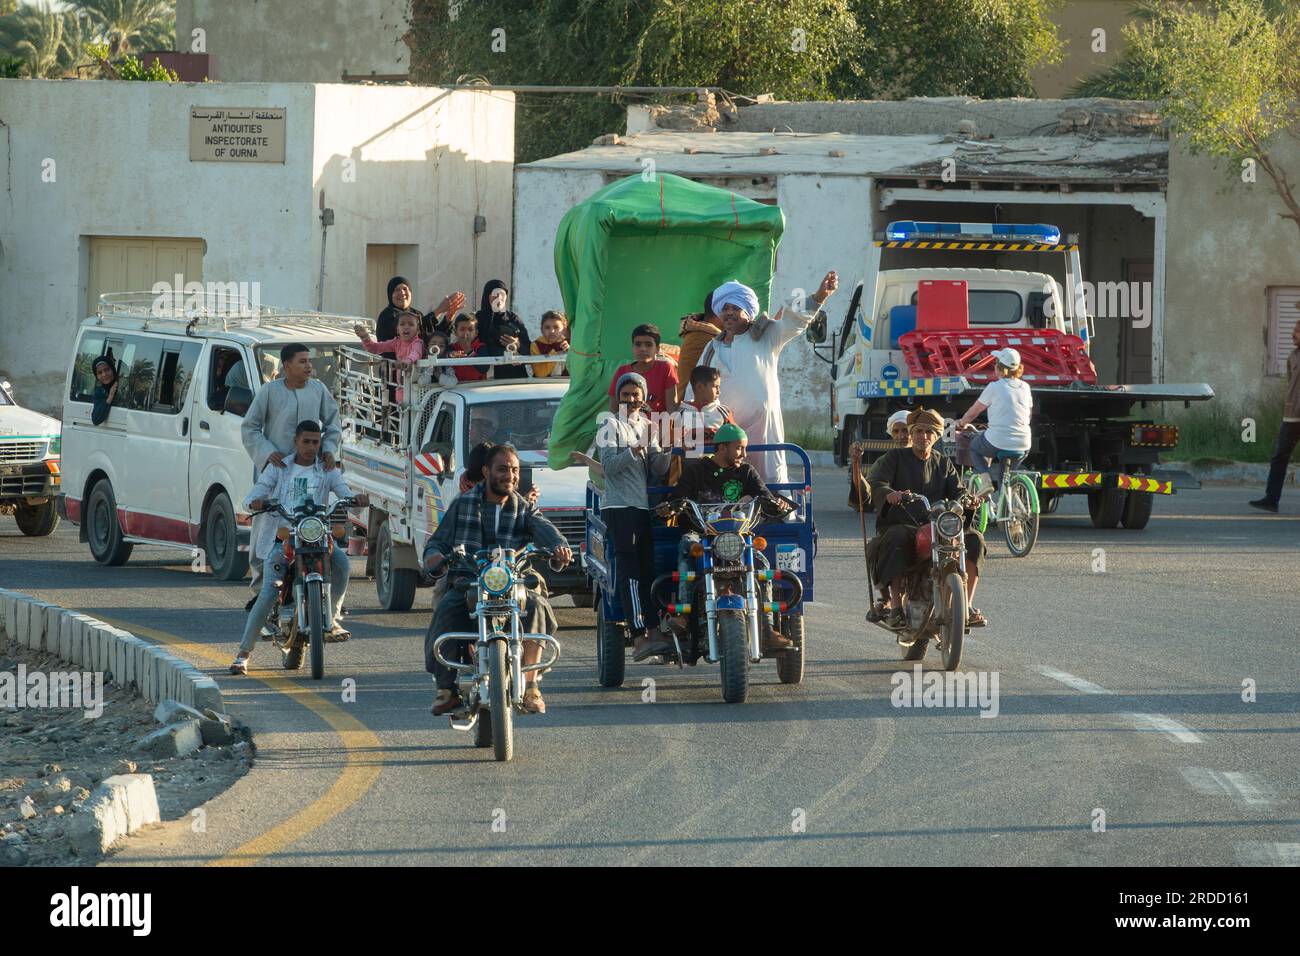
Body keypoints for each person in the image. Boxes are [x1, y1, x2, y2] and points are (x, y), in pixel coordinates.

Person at [422, 444, 572, 716]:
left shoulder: (524, 507)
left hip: (516, 582)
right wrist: (434, 557)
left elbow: (546, 530)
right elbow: (437, 543)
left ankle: (531, 686)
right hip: (469, 581)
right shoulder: (463, 504)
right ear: (486, 471)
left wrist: (560, 548)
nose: (510, 476)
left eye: (514, 470)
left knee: (537, 605)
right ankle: (446, 689)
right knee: (446, 609)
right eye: (502, 469)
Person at [230, 421, 369, 675]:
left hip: (318, 537)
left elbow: (344, 493)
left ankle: (333, 618)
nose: (311, 447)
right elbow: (253, 496)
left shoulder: (327, 469)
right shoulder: (279, 467)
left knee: (342, 563)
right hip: (285, 539)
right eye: (306, 441)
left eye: (316, 442)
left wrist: (356, 499)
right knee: (269, 591)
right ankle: (243, 655)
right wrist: (257, 502)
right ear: (296, 441)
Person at [655, 423, 795, 652]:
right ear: (722, 448)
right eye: (739, 448)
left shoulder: (747, 471)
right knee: (686, 546)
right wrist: (669, 508)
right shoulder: (696, 471)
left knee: (761, 563)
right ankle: (682, 614)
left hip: (738, 537)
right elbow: (678, 498)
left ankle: (767, 629)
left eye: (744, 448)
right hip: (702, 535)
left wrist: (776, 503)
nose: (744, 454)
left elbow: (765, 497)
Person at [697, 272, 838, 485]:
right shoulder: (711, 348)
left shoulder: (767, 336)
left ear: (748, 311)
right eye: (725, 308)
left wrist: (819, 297)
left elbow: (794, 322)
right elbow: (695, 390)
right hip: (725, 433)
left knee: (770, 484)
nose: (729, 313)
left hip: (762, 430)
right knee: (727, 487)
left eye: (735, 308)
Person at [571, 372, 673, 661]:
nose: (630, 399)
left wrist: (665, 447)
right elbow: (611, 467)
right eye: (625, 395)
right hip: (619, 507)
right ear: (618, 398)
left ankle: (655, 630)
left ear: (644, 397)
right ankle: (639, 635)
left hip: (641, 507)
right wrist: (637, 447)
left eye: (635, 394)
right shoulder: (609, 423)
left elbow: (657, 469)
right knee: (629, 573)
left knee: (647, 572)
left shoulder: (647, 425)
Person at [866, 408, 987, 629]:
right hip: (904, 522)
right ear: (912, 434)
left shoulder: (943, 462)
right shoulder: (894, 458)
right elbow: (878, 483)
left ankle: (967, 605)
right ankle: (895, 607)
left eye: (929, 432)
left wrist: (968, 500)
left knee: (974, 540)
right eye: (919, 431)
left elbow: (958, 490)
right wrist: (889, 494)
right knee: (896, 539)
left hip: (939, 524)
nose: (924, 436)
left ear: (937, 435)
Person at [242, 343, 342, 597]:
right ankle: (263, 598)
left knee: (309, 532)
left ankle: (316, 599)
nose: (309, 366)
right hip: (275, 473)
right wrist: (267, 453)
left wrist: (328, 450)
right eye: (302, 361)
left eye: (309, 360)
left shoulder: (318, 390)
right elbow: (250, 427)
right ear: (286, 365)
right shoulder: (269, 392)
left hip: (309, 474)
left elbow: (333, 423)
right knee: (267, 536)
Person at [955, 347, 1033, 496]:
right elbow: (1028, 416)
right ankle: (1007, 504)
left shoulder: (995, 387)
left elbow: (974, 412)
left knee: (975, 448)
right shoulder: (1025, 387)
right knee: (1005, 477)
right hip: (1023, 443)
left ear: (999, 367)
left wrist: (962, 423)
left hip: (998, 440)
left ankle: (985, 482)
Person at [1250, 321, 1300, 513]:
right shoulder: (1293, 356)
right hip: (1291, 416)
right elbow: (1291, 383)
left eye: (1297, 331)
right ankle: (1271, 499)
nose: (1292, 334)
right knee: (1279, 457)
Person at [354, 312, 426, 403]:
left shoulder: (418, 343)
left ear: (418, 330)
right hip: (402, 389)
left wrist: (404, 362)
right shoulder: (397, 342)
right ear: (397, 330)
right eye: (402, 324)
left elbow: (415, 354)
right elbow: (375, 348)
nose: (406, 327)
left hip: (417, 390)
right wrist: (365, 337)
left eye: (411, 324)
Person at [607, 323, 679, 414]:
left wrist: (665, 427)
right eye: (638, 344)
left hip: (658, 426)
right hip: (627, 426)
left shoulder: (666, 368)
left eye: (648, 345)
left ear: (657, 349)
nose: (643, 349)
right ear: (632, 347)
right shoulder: (622, 371)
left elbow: (672, 408)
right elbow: (613, 409)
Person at [848, 409, 910, 508]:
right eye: (896, 431)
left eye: (905, 430)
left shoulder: (932, 459)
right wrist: (856, 464)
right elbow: (867, 494)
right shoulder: (884, 461)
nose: (901, 436)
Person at [475, 280, 530, 380]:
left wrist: (518, 345)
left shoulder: (513, 319)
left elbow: (529, 350)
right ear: (487, 296)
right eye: (495, 295)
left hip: (514, 376)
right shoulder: (478, 319)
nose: (499, 298)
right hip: (485, 379)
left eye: (502, 295)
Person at [676, 364, 734, 457]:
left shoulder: (723, 412)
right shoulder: (681, 413)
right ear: (699, 387)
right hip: (691, 467)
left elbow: (735, 439)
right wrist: (680, 445)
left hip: (717, 467)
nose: (719, 391)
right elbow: (671, 442)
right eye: (715, 386)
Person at [676, 294, 723, 402]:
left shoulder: (703, 333)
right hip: (694, 410)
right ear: (718, 310)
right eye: (727, 309)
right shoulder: (706, 338)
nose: (730, 314)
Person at [529, 310, 570, 378]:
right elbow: (540, 373)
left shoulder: (570, 344)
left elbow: (577, 370)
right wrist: (555, 353)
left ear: (564, 329)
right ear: (541, 329)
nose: (552, 331)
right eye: (547, 327)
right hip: (543, 385)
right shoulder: (536, 345)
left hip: (565, 384)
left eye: (556, 327)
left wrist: (570, 352)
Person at [448, 314, 488, 382]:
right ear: (455, 332)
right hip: (455, 387)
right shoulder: (451, 347)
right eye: (462, 329)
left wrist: (468, 349)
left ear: (476, 333)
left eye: (470, 330)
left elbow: (483, 368)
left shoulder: (481, 347)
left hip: (477, 387)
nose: (466, 333)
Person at [90, 357, 119, 426]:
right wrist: (110, 397)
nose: (104, 374)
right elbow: (96, 420)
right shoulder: (99, 393)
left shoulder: (123, 387)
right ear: (96, 376)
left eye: (107, 370)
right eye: (100, 372)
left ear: (113, 370)